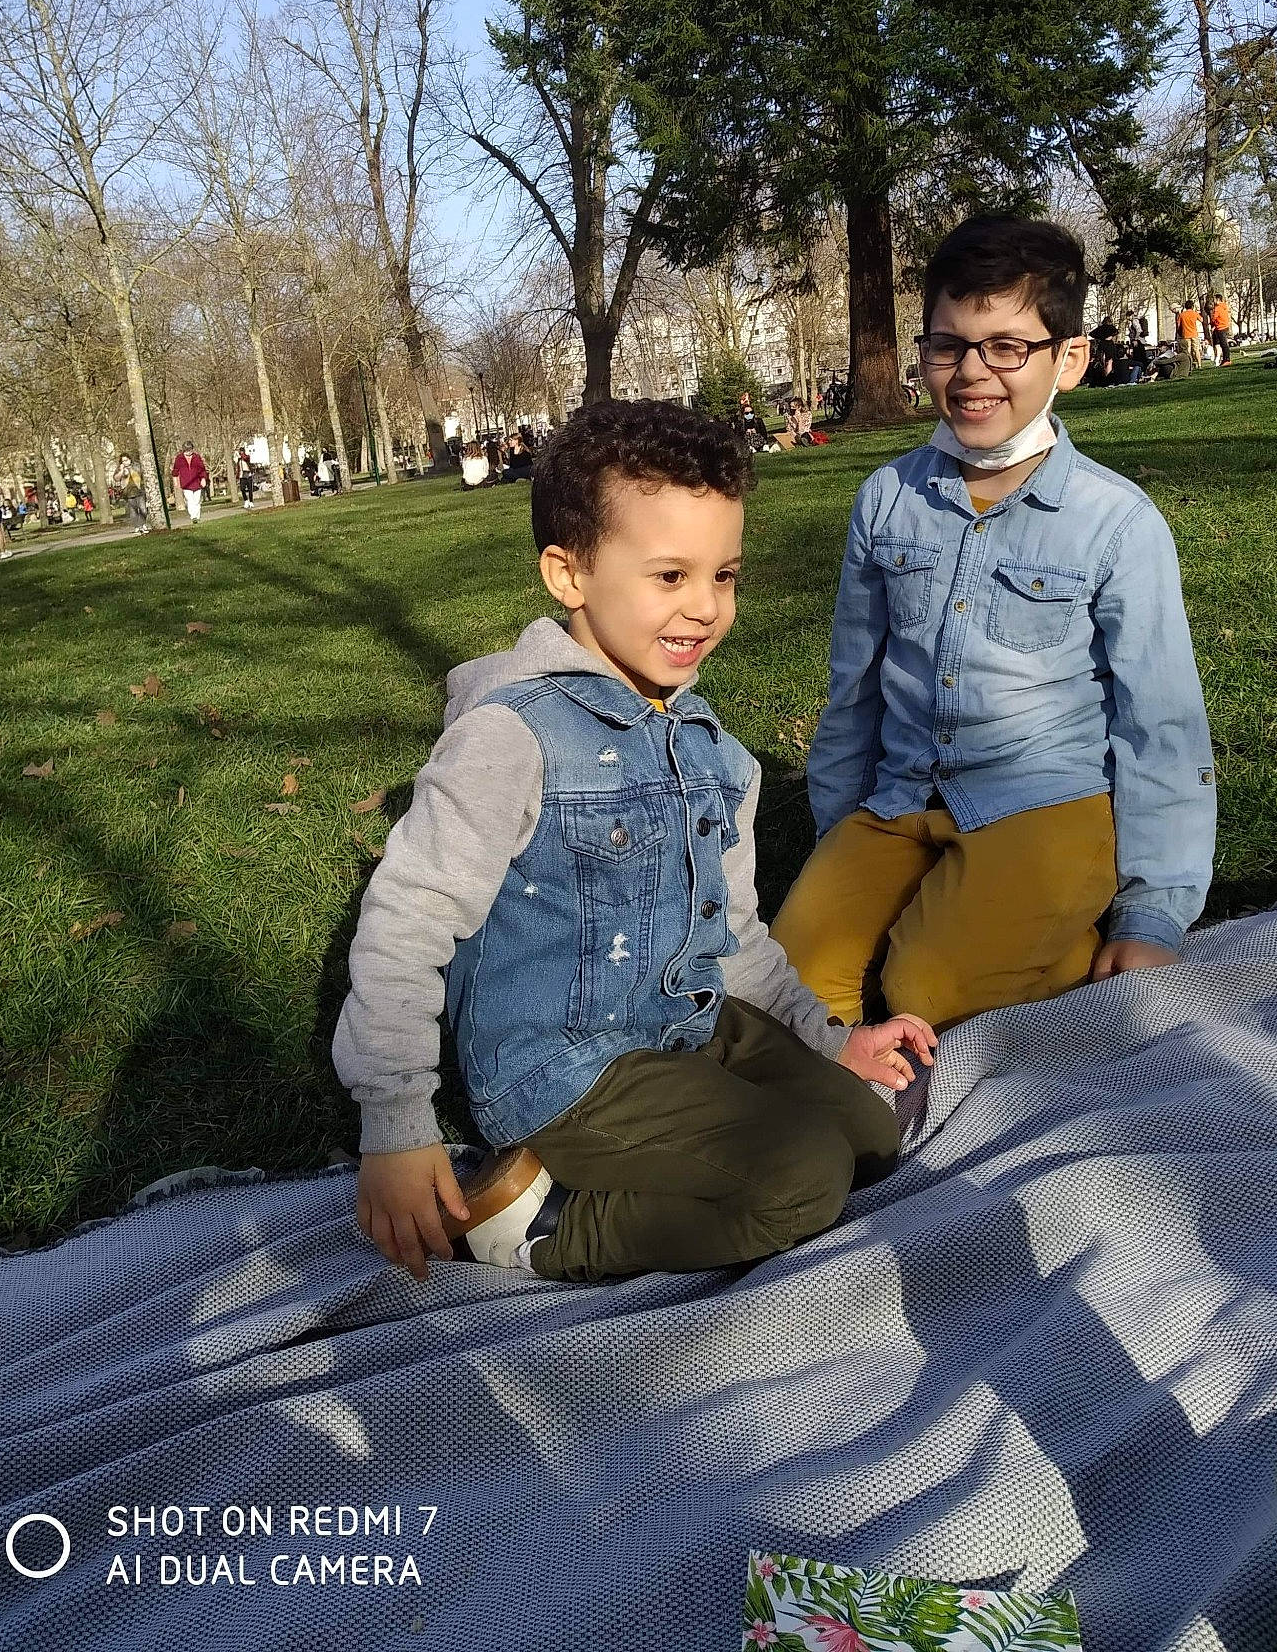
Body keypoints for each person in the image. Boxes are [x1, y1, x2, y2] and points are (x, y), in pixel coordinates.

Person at [335, 399, 933, 1284]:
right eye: (669, 576)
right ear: (567, 574)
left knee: (870, 1132)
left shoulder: (709, 748)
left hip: (686, 1025)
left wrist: (824, 1035)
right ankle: (540, 1230)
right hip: (562, 1064)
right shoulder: (513, 737)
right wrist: (395, 1125)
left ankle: (690, 1143)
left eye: (723, 575)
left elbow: (733, 936)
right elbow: (406, 922)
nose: (705, 608)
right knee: (802, 1177)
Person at [768, 215, 1216, 1037]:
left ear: (1068, 359)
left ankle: (1065, 940)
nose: (972, 373)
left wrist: (1151, 914)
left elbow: (1163, 724)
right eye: (949, 345)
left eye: (1007, 347)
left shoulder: (1116, 522)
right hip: (903, 798)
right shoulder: (887, 498)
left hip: (1046, 806)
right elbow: (854, 690)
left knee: (922, 984)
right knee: (794, 982)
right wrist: (840, 845)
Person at [171, 441, 209, 525]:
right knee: (190, 500)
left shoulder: (197, 457)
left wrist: (203, 479)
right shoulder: (179, 458)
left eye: (190, 449)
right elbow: (175, 471)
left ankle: (197, 516)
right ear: (184, 450)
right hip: (186, 484)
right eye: (187, 450)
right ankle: (193, 517)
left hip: (197, 483)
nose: (189, 452)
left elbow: (202, 469)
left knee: (197, 501)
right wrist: (175, 481)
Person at [1176, 299, 1204, 372]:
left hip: (1185, 335)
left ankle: (1189, 366)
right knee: (1196, 350)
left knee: (1187, 351)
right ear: (1192, 306)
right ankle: (1199, 364)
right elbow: (1201, 320)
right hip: (1194, 334)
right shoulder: (1194, 313)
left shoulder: (1182, 315)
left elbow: (1178, 326)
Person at [1208, 294, 1233, 365]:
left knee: (1223, 344)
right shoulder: (1224, 307)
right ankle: (1225, 359)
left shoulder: (1217, 308)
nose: (1214, 301)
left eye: (1214, 299)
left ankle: (1226, 359)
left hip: (1220, 327)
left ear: (1218, 300)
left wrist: (1212, 323)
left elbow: (1214, 318)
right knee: (1224, 343)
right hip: (1225, 326)